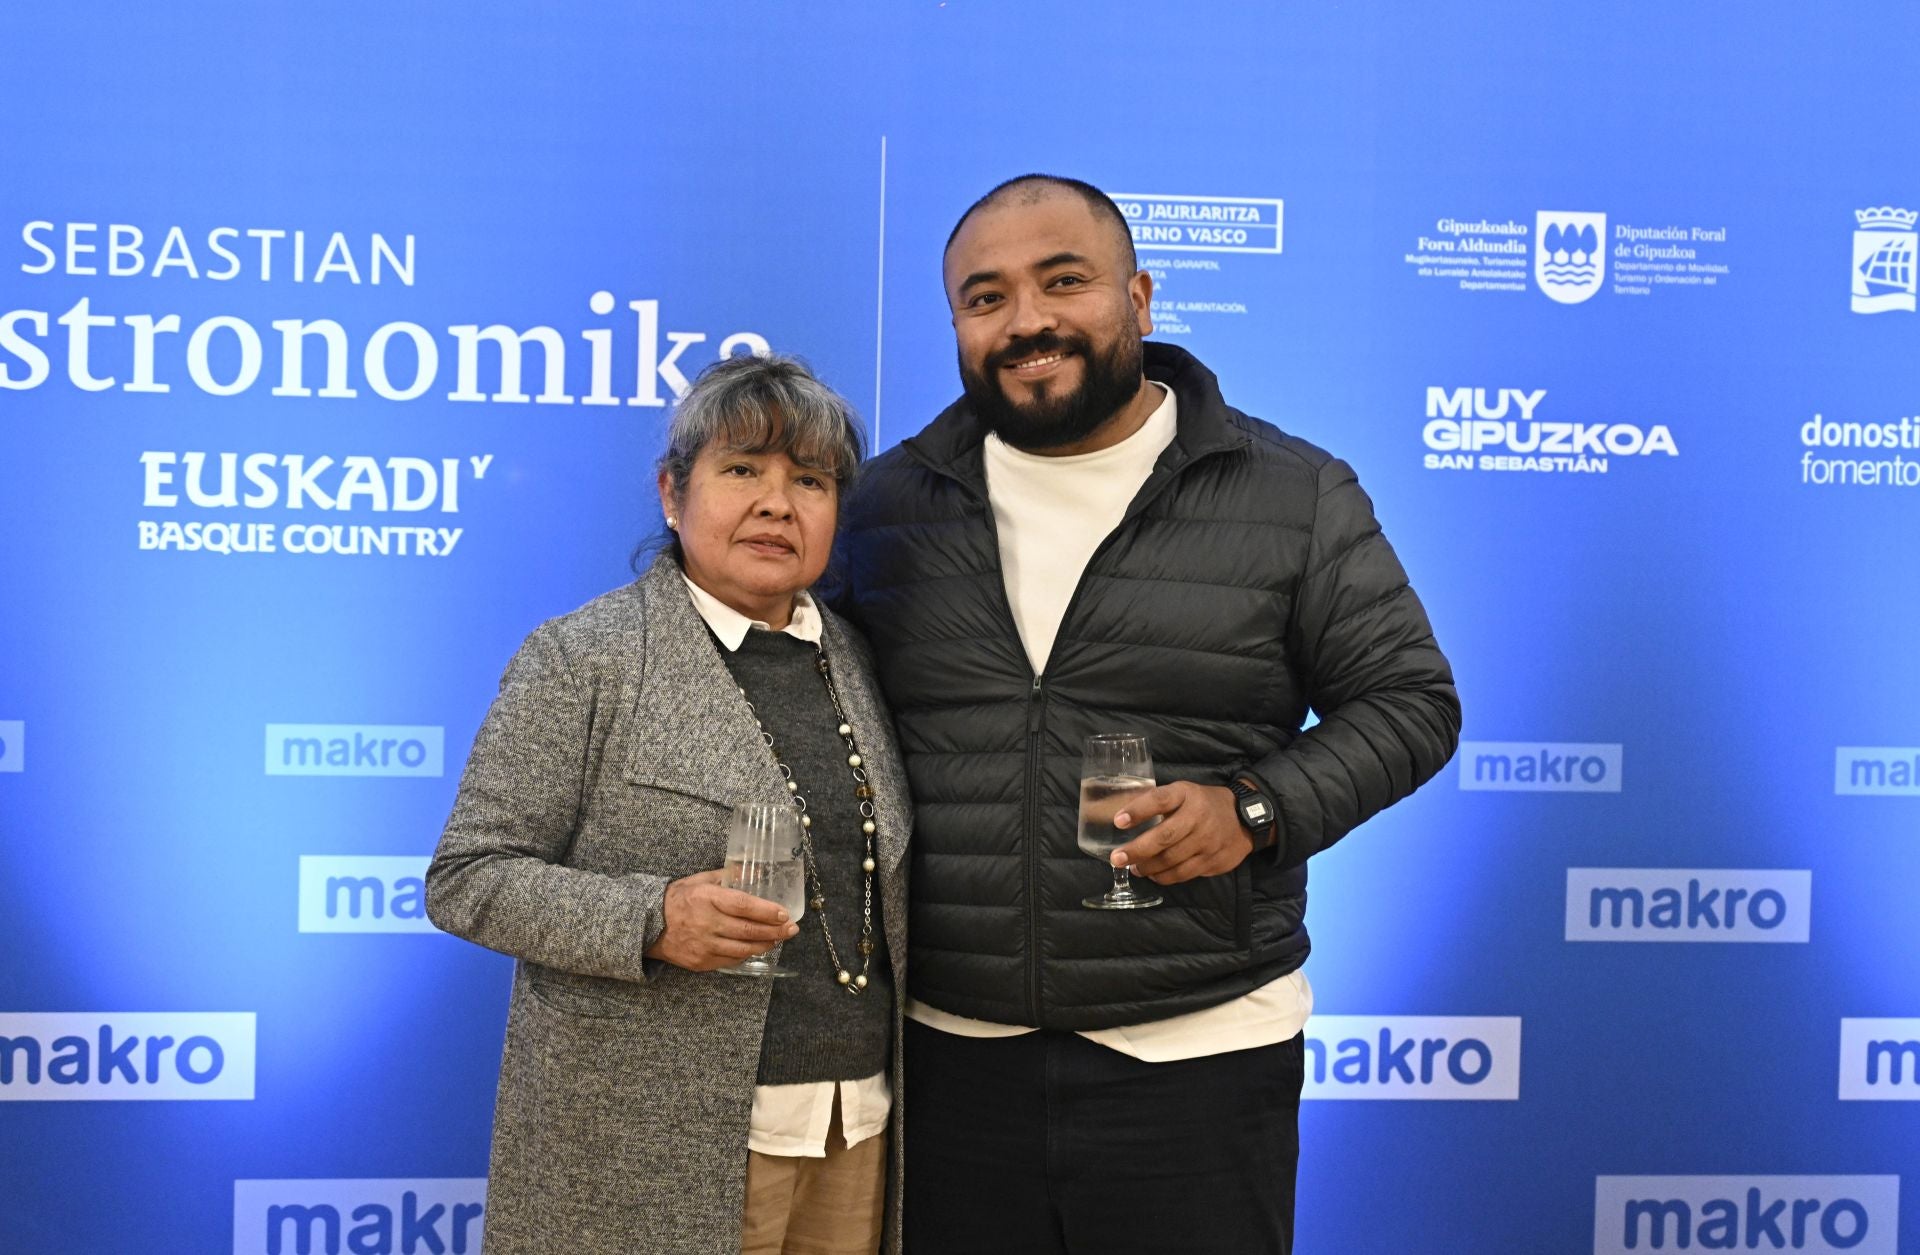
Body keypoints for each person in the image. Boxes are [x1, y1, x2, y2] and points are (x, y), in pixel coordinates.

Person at [832, 175, 1461, 1254]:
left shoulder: (1289, 492)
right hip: (947, 1063)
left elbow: (1411, 701)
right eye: (985, 298)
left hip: (1201, 1063)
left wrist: (1255, 807)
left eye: (1063, 281)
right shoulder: (885, 508)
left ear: (1140, 297)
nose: (1027, 320)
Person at [426, 354, 910, 1255]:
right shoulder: (586, 657)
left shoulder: (860, 657)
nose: (778, 503)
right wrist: (651, 917)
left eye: (809, 479)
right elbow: (467, 877)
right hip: (650, 1140)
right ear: (671, 493)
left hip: (857, 1125)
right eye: (742, 470)